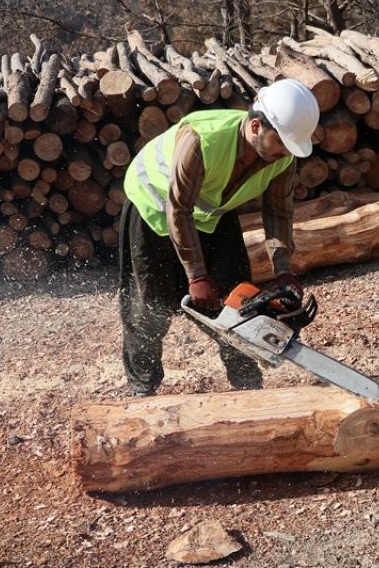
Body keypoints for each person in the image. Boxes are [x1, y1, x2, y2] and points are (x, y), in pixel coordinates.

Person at [118, 79, 319, 396]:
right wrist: (197, 275)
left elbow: (279, 212)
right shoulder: (202, 139)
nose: (285, 153)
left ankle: (247, 386)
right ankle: (143, 388)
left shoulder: (283, 156)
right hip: (155, 205)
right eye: (281, 143)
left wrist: (283, 270)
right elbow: (179, 209)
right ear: (255, 126)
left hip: (211, 213)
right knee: (149, 308)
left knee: (241, 301)